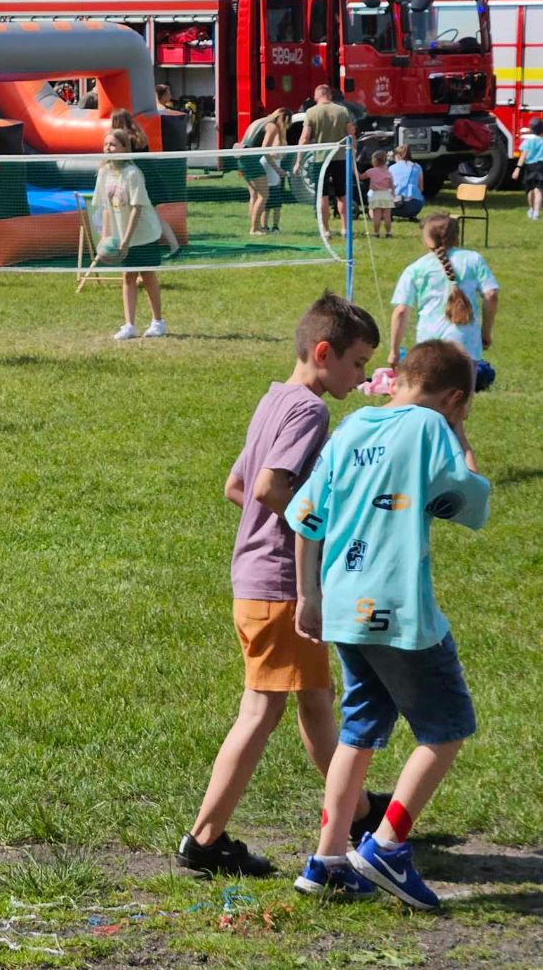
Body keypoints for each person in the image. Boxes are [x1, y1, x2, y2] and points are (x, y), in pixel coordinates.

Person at [177, 293, 387, 878]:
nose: (363, 375)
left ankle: (363, 811)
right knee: (260, 712)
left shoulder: (275, 398)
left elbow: (235, 486)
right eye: (357, 363)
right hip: (281, 586)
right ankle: (204, 839)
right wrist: (327, 526)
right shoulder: (310, 412)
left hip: (258, 578)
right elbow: (269, 488)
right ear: (324, 353)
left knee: (317, 705)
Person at [290, 340, 489, 907]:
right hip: (401, 616)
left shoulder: (351, 427)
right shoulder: (432, 428)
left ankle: (327, 858)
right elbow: (470, 497)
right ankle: (387, 845)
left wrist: (310, 596)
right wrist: (459, 432)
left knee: (360, 728)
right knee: (446, 728)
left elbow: (305, 516)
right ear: (452, 399)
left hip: (345, 608)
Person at [387, 214, 499, 371]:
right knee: (463, 393)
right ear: (457, 237)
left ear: (426, 239)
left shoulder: (416, 268)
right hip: (467, 341)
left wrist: (394, 350)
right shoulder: (474, 259)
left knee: (431, 392)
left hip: (429, 341)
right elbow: (491, 295)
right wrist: (485, 332)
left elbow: (400, 311)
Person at [93, 130, 166, 340]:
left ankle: (158, 322)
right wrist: (106, 237)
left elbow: (137, 209)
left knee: (147, 275)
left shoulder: (133, 173)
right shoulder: (104, 172)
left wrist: (126, 241)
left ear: (125, 147)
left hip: (142, 234)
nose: (108, 148)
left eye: (113, 144)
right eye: (106, 144)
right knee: (128, 276)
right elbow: (106, 207)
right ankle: (129, 325)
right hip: (119, 235)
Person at [109, 107, 180, 254]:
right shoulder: (140, 135)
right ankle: (171, 245)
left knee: (150, 215)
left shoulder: (126, 140)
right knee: (152, 213)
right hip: (150, 177)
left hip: (141, 180)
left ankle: (171, 246)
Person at [294, 86, 357, 235]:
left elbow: (304, 138)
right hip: (340, 157)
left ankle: (326, 230)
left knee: (322, 195)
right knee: (342, 194)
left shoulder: (311, 112)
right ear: (329, 95)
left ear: (317, 96)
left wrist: (298, 161)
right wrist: (353, 155)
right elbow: (351, 135)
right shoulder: (342, 111)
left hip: (320, 159)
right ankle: (345, 228)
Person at [238, 107, 292, 235]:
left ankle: (255, 226)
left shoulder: (258, 122)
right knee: (264, 195)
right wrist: (277, 169)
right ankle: (255, 228)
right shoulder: (271, 126)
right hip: (252, 160)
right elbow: (265, 149)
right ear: (282, 118)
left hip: (242, 159)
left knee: (254, 196)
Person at [511, 117, 543, 219]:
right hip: (541, 166)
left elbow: (523, 155)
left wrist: (518, 168)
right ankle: (537, 213)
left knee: (529, 190)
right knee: (539, 190)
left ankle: (531, 209)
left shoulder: (527, 142)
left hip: (530, 167)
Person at [361, 151, 395, 238]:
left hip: (375, 195)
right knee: (387, 216)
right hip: (386, 195)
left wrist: (354, 171)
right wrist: (393, 195)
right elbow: (392, 185)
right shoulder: (388, 172)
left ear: (374, 161)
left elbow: (361, 177)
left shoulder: (371, 171)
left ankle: (376, 233)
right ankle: (389, 232)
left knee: (377, 216)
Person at [389, 145, 424, 222]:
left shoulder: (391, 168)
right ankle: (412, 216)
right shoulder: (417, 167)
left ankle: (389, 214)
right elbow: (421, 188)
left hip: (394, 205)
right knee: (419, 196)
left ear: (397, 156)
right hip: (414, 207)